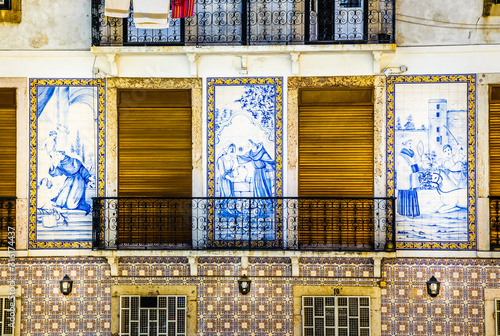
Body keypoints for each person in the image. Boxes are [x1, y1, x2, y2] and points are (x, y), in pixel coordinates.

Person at [49, 151, 92, 215]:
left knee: (71, 205)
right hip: (69, 181)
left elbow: (82, 170)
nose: (56, 156)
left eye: (57, 155)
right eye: (56, 155)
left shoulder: (74, 161)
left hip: (78, 181)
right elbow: (57, 173)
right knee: (59, 202)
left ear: (62, 154)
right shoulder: (60, 164)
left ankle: (86, 207)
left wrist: (88, 180)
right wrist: (52, 166)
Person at [396, 139, 420, 217]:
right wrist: (415, 168)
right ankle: (406, 212)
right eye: (409, 143)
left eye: (411, 143)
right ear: (405, 144)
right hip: (405, 180)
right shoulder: (401, 156)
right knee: (406, 195)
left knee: (413, 194)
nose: (411, 145)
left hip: (412, 179)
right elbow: (403, 168)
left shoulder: (412, 154)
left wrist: (418, 165)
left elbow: (415, 163)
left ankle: (413, 213)